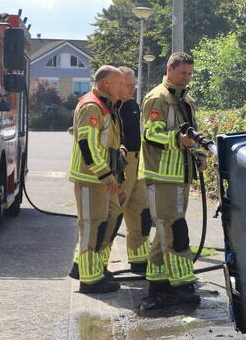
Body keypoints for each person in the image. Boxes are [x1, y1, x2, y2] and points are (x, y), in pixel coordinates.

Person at [138, 51, 203, 310]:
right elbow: (151, 135)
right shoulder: (158, 98)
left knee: (164, 231)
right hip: (162, 176)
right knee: (175, 230)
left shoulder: (186, 99)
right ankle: (182, 286)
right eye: (182, 73)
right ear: (169, 69)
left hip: (180, 174)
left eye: (189, 74)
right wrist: (178, 140)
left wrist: (197, 153)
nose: (186, 78)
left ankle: (158, 284)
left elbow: (192, 133)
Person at [67, 65, 124, 294]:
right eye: (119, 83)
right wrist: (105, 174)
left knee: (109, 219)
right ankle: (90, 280)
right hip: (91, 179)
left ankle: (93, 270)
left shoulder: (104, 105)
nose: (123, 88)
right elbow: (87, 145)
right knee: (92, 226)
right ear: (106, 84)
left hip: (102, 178)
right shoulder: (92, 106)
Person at [114, 67, 152, 274]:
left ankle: (139, 261)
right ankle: (98, 266)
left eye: (134, 84)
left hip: (138, 164)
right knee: (113, 216)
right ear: (117, 85)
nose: (133, 88)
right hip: (121, 164)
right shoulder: (111, 107)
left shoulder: (131, 104)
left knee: (140, 214)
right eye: (129, 85)